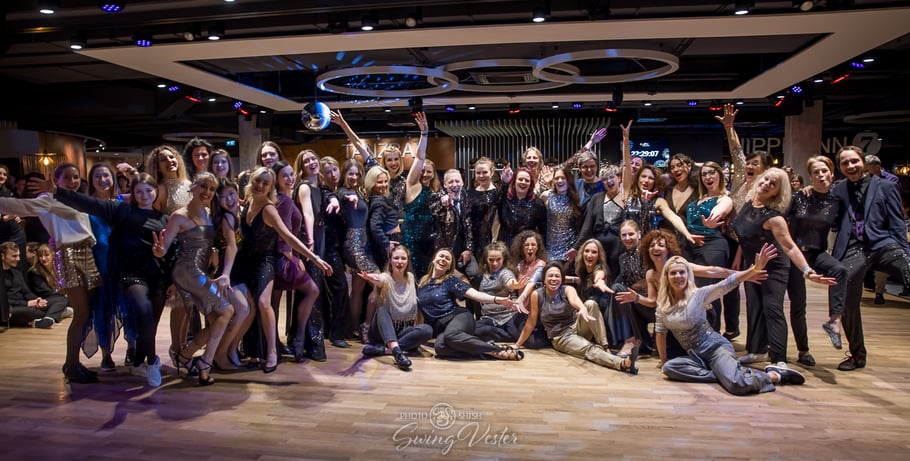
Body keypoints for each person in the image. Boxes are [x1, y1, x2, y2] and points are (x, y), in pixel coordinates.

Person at [36, 171, 169, 387]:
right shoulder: (122, 210)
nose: (144, 195)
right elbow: (88, 203)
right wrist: (57, 191)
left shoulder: (164, 218)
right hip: (129, 273)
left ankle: (138, 361)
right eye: (139, 191)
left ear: (156, 191)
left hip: (156, 274)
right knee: (138, 309)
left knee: (149, 320)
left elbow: (171, 250)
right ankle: (151, 362)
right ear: (133, 193)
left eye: (148, 190)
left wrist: (169, 276)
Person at [656, 251, 807, 396]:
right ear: (667, 277)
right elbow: (660, 332)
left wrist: (754, 269)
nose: (678, 276)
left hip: (716, 348)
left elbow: (727, 284)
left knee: (736, 384)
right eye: (673, 273)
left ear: (688, 275)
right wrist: (663, 360)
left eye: (682, 272)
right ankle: (725, 374)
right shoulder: (663, 305)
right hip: (695, 356)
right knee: (670, 368)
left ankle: (775, 376)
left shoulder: (698, 295)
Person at [3, 163, 101, 384]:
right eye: (67, 178)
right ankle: (71, 366)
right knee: (81, 313)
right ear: (56, 180)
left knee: (85, 314)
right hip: (69, 254)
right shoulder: (48, 199)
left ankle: (72, 363)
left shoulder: (77, 199)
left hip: (87, 253)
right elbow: (19, 205)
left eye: (76, 177)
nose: (73, 182)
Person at [733, 168, 837, 368]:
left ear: (777, 193)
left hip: (774, 267)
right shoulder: (749, 201)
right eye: (766, 179)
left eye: (773, 184)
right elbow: (744, 236)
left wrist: (807, 270)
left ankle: (779, 360)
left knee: (772, 310)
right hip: (753, 265)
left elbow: (789, 246)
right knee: (754, 307)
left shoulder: (774, 218)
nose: (766, 184)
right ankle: (757, 351)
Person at [151, 173, 248, 385]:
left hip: (202, 271)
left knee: (217, 320)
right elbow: (164, 249)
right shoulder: (179, 216)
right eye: (203, 186)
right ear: (193, 187)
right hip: (186, 270)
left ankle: (187, 357)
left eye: (212, 189)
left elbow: (227, 243)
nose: (207, 192)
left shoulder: (210, 213)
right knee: (228, 310)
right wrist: (159, 251)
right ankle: (203, 361)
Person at [235, 166, 332, 373]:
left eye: (265, 183)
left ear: (271, 187)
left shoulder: (270, 208)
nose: (260, 185)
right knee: (249, 307)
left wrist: (313, 257)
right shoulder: (249, 202)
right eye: (257, 181)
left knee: (264, 303)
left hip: (265, 262)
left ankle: (272, 351)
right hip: (244, 261)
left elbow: (288, 236)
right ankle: (250, 351)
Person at [831, 146, 910, 371]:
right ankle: (857, 354)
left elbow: (897, 222)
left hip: (883, 243)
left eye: (854, 161)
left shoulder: (886, 186)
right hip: (854, 248)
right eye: (845, 163)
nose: (850, 166)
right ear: (840, 167)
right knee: (845, 293)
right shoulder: (838, 190)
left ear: (862, 162)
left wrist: (905, 251)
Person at [515, 262, 638, 373]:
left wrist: (582, 308)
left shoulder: (567, 289)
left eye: (557, 276)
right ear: (544, 279)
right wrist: (517, 344)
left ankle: (605, 347)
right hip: (561, 336)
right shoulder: (537, 295)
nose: (554, 279)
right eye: (550, 276)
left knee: (590, 304)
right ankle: (622, 363)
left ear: (562, 279)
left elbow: (574, 300)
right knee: (589, 349)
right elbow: (531, 323)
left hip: (577, 326)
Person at [716, 103, 773, 341]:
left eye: (755, 164)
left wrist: (740, 251)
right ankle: (732, 328)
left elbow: (751, 227)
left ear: (766, 169)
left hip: (751, 245)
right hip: (729, 239)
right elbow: (737, 153)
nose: (749, 166)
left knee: (754, 291)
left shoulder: (765, 192)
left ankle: (759, 339)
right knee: (729, 284)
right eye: (749, 163)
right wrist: (729, 128)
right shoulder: (740, 180)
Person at [785, 156, 847, 366]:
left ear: (832, 173)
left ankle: (834, 321)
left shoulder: (836, 202)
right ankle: (803, 351)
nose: (821, 175)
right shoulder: (799, 197)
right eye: (816, 172)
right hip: (794, 254)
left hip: (817, 252)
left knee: (840, 270)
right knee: (798, 305)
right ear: (810, 177)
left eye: (824, 171)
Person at [417, 248, 524, 360]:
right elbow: (420, 311)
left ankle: (497, 350)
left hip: (459, 317)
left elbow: (476, 295)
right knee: (440, 348)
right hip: (443, 328)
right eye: (441, 256)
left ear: (449, 267)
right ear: (434, 259)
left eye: (447, 258)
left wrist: (498, 300)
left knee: (451, 335)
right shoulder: (422, 283)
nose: (443, 259)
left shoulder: (450, 280)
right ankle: (487, 352)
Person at [272, 161, 322, 362]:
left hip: (279, 257)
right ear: (276, 179)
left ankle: (276, 345)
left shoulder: (284, 198)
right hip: (282, 258)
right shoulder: (283, 201)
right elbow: (282, 235)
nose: (290, 178)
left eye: (291, 174)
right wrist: (293, 257)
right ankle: (297, 339)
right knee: (312, 290)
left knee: (274, 305)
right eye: (284, 175)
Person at [358, 245, 433, 370]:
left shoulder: (410, 277)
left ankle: (387, 349)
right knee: (381, 310)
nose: (399, 262)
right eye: (396, 258)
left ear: (407, 261)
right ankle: (398, 354)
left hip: (402, 330)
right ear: (390, 261)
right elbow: (380, 279)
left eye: (403, 258)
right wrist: (373, 278)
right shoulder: (386, 277)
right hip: (381, 331)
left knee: (427, 330)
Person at [684, 161, 733, 332]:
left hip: (713, 243)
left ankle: (712, 333)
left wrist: (713, 218)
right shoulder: (697, 199)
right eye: (704, 174)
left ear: (720, 175)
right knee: (691, 289)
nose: (708, 177)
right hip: (691, 245)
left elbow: (722, 209)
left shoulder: (724, 198)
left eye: (712, 172)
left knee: (709, 290)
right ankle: (695, 333)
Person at [400, 113, 434, 277]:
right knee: (413, 277)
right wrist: (424, 133)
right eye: (422, 171)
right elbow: (420, 157)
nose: (424, 174)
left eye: (428, 171)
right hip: (412, 241)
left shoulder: (434, 191)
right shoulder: (413, 186)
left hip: (430, 241)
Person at [2, 241, 64, 328]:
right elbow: (3, 300)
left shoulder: (16, 273)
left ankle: (47, 319)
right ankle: (53, 314)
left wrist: (37, 300)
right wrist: (26, 303)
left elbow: (27, 292)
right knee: (32, 311)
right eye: (14, 256)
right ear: (2, 256)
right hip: (10, 308)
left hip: (26, 305)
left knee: (60, 300)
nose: (18, 259)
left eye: (19, 255)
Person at [540, 167, 582, 263]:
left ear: (569, 179)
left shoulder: (576, 198)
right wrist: (548, 184)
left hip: (570, 251)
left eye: (563, 178)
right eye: (557, 178)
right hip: (550, 251)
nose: (559, 181)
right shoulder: (546, 196)